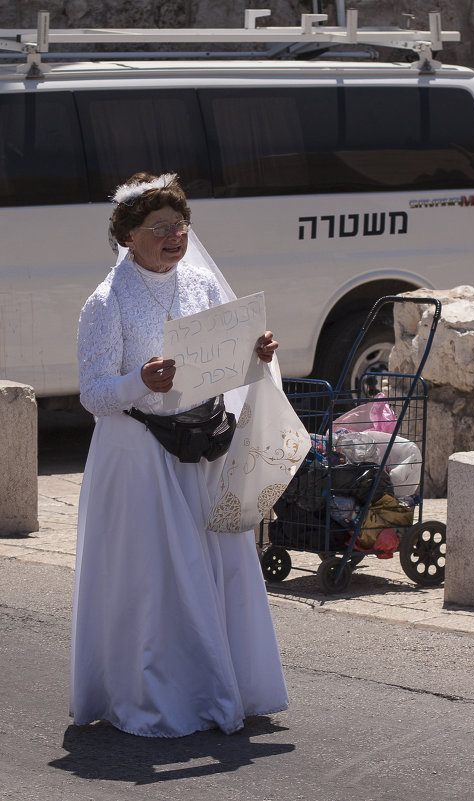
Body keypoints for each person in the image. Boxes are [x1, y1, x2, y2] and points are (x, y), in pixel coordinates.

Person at [70, 171, 289, 738]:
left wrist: (257, 353)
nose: (175, 237)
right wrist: (138, 382)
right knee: (155, 578)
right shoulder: (105, 301)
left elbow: (229, 358)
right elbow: (94, 393)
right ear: (128, 235)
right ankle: (155, 696)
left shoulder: (200, 284)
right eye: (160, 227)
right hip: (139, 455)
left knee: (220, 569)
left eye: (181, 225)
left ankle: (227, 686)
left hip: (203, 447)